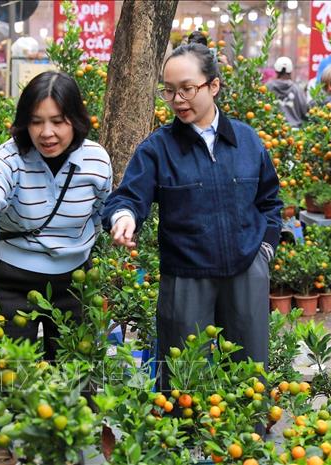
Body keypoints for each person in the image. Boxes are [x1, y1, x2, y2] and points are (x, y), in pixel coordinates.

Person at [102, 32, 282, 388]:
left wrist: (265, 250)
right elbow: (127, 197)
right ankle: (181, 442)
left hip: (245, 270)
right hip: (186, 276)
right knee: (185, 381)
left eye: (186, 89)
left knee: (249, 379)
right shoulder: (158, 148)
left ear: (213, 86)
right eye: (168, 91)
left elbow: (270, 201)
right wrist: (123, 217)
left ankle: (249, 441)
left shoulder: (246, 141)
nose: (177, 99)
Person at [0, 71, 112, 360]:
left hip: (74, 283)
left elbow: (99, 213)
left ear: (75, 120)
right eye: (36, 121)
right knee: (10, 380)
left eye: (57, 121)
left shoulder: (96, 161)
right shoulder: (9, 158)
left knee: (77, 381)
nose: (46, 133)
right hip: (10, 282)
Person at [266, 56, 308, 128]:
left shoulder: (268, 87)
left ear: (276, 70)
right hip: (295, 131)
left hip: (274, 130)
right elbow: (305, 110)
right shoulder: (297, 89)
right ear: (290, 71)